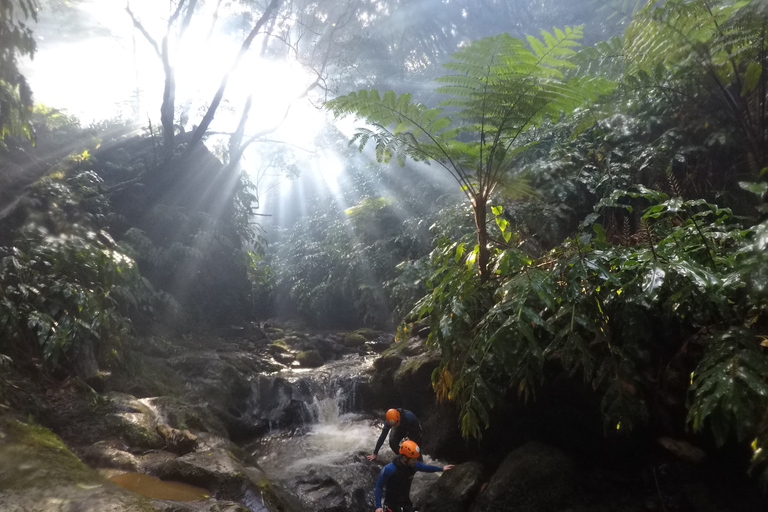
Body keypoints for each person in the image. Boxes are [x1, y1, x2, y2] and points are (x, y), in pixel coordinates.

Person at [374, 440, 453, 512]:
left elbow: (426, 468)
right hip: (391, 506)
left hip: (406, 503)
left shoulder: (414, 465)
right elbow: (379, 486)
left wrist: (441, 468)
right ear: (405, 458)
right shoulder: (389, 469)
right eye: (414, 459)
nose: (416, 461)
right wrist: (378, 506)